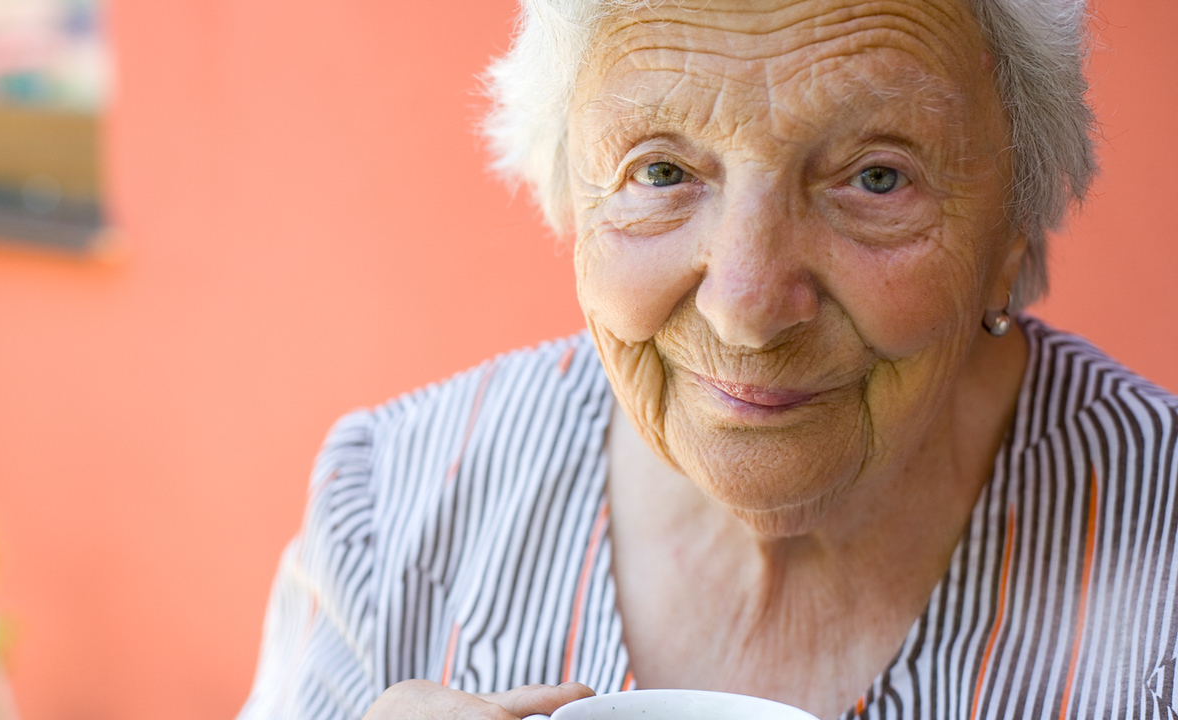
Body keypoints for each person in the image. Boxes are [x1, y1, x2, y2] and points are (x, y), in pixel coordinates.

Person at [238, 0, 1178, 718]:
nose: (747, 309)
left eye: (876, 176)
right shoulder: (390, 510)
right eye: (661, 171)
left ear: (1014, 228)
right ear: (568, 195)